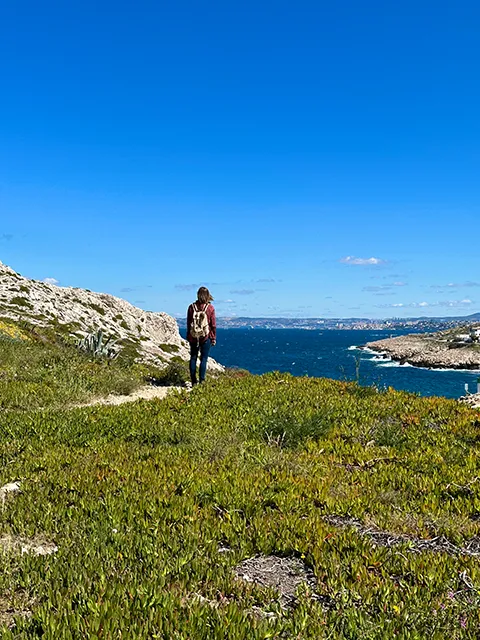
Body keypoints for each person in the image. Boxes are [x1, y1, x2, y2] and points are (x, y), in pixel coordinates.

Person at [186, 287, 216, 385]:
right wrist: (213, 337)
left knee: (193, 358)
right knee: (204, 359)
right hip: (205, 337)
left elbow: (188, 322)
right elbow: (213, 325)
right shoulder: (210, 308)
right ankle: (202, 381)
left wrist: (188, 335)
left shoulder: (191, 307)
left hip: (193, 336)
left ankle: (193, 381)